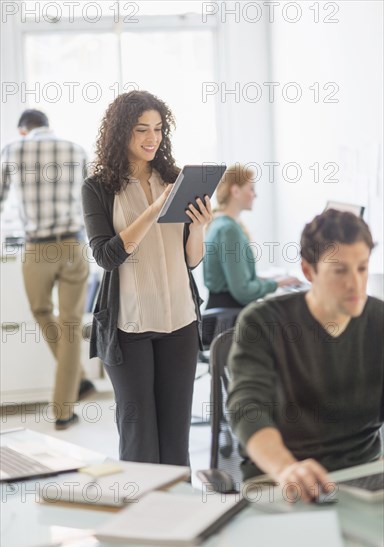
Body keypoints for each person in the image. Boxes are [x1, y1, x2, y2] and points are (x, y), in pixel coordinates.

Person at [82, 90, 212, 465]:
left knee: (175, 442)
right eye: (142, 130)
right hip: (128, 328)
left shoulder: (175, 179)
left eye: (158, 129)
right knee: (140, 440)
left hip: (179, 322)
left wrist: (200, 228)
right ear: (121, 133)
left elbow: (190, 259)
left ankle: (180, 520)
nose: (152, 137)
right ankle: (141, 519)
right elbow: (107, 256)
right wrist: (156, 208)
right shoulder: (98, 188)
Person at [227, 209, 384, 502]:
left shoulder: (379, 320)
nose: (355, 284)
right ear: (309, 271)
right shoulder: (263, 322)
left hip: (362, 474)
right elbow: (247, 407)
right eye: (339, 271)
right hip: (280, 477)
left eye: (362, 268)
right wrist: (285, 468)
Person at [0, 109, 95, 430]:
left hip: (35, 248)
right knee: (70, 325)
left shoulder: (12, 149)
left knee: (41, 311)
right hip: (72, 245)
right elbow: (92, 199)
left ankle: (67, 398)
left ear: (23, 130)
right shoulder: (76, 149)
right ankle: (71, 393)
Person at [203, 164, 300, 309]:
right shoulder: (229, 230)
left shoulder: (218, 223)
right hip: (228, 318)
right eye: (251, 189)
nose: (255, 195)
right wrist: (277, 284)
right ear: (235, 191)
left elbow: (237, 279)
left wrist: (271, 280)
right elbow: (243, 290)